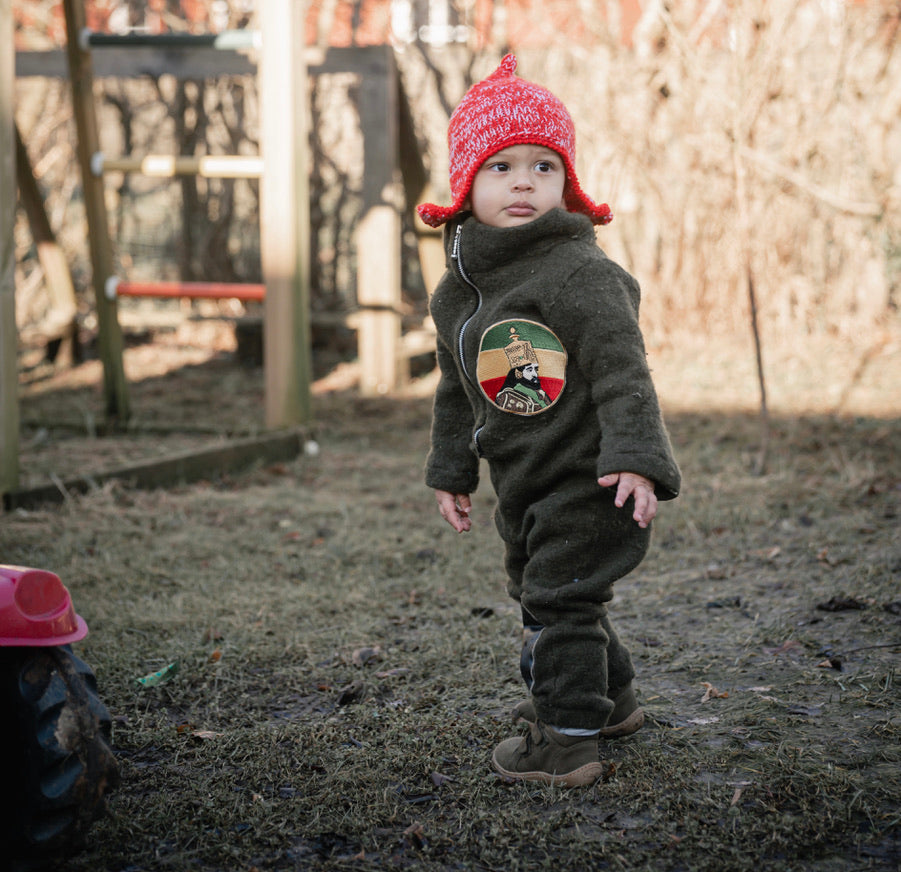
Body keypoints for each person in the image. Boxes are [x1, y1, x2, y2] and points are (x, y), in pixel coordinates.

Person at [417, 54, 682, 787]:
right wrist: (450, 468)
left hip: (589, 475)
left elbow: (623, 370)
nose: (524, 181)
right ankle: (612, 701)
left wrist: (636, 456)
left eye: (542, 165)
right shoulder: (459, 290)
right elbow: (454, 386)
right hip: (524, 478)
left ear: (566, 181)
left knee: (557, 601)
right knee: (557, 592)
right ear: (466, 183)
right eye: (500, 167)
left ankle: (565, 741)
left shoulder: (578, 273)